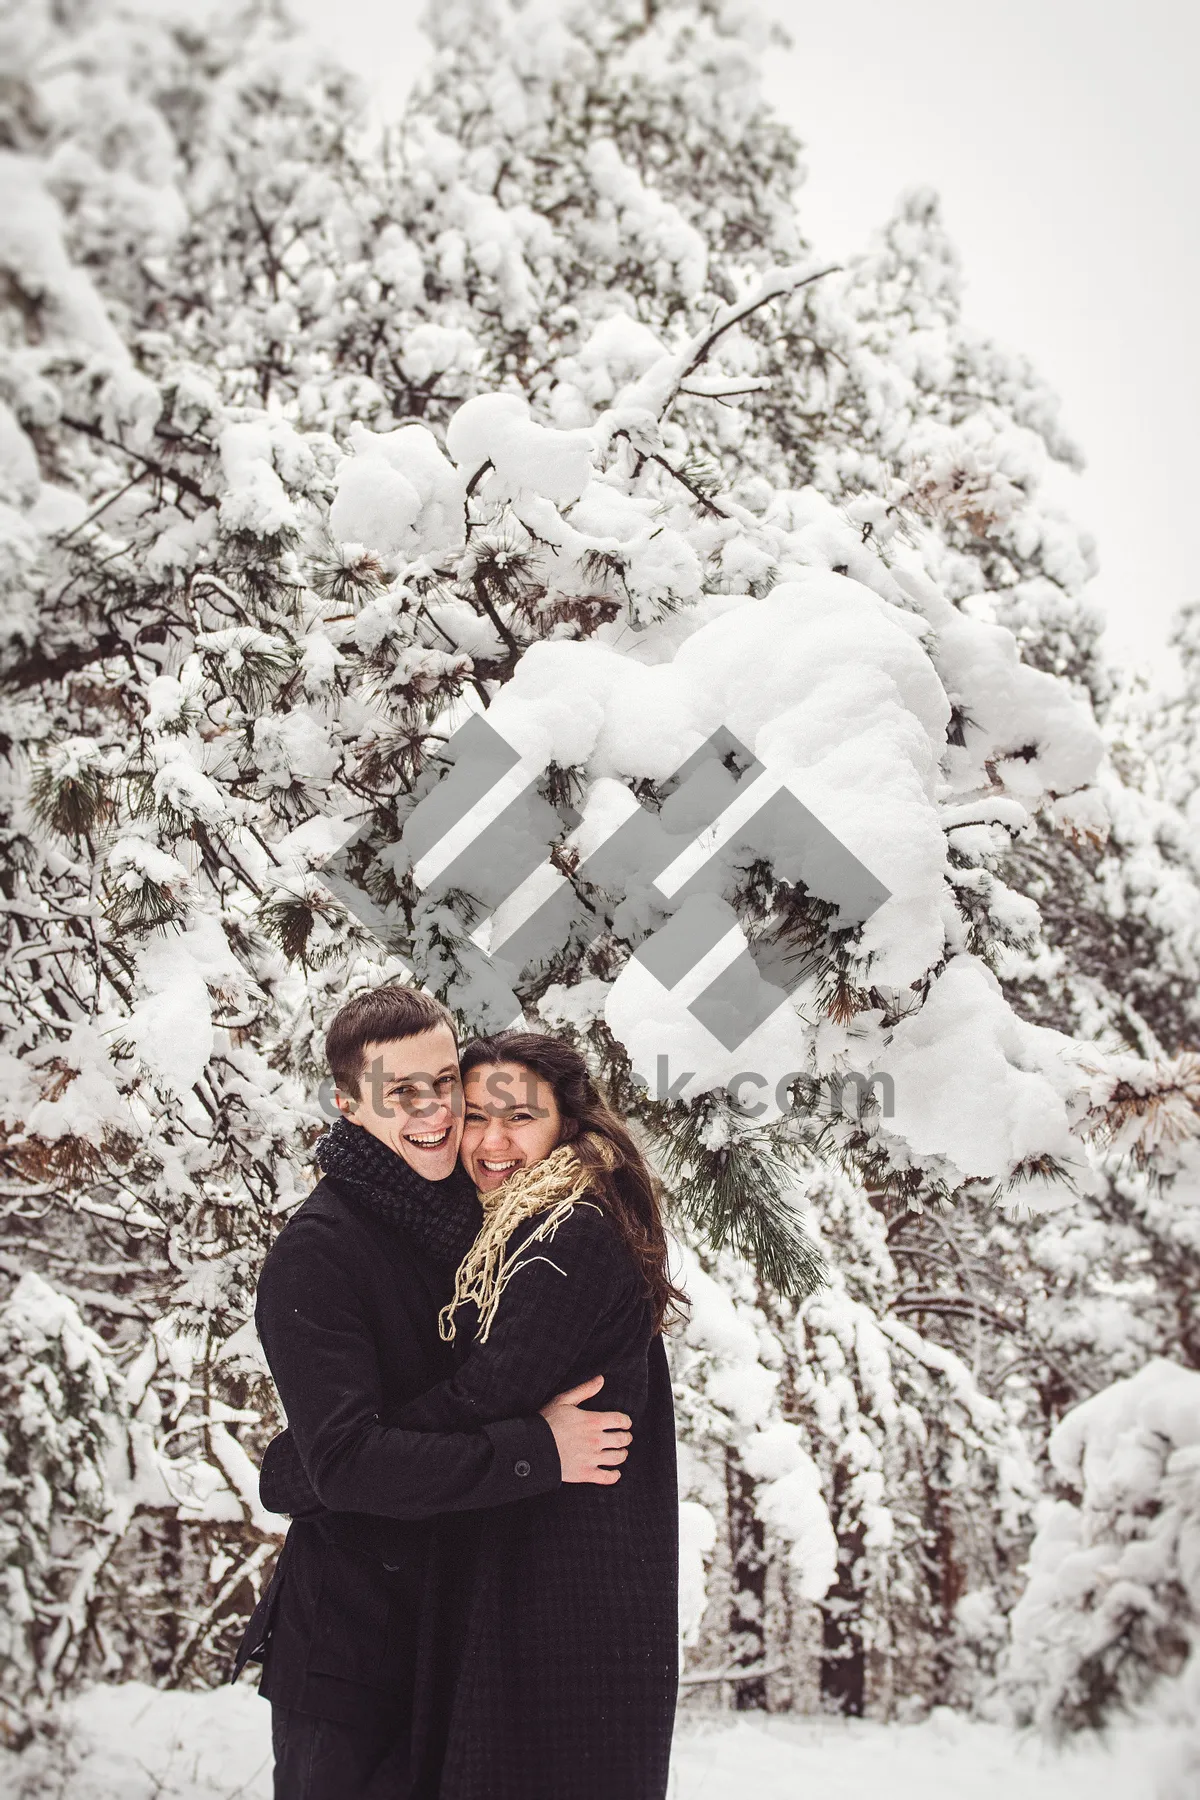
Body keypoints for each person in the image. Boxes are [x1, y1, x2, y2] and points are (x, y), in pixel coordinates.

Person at [259, 1028, 686, 1799]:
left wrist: (302, 1468)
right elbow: (433, 1418)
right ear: (349, 1106)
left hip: (517, 1628)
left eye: (517, 1117)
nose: (483, 1137)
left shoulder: (554, 1234)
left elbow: (479, 1394)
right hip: (352, 1645)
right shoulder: (340, 1245)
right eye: (403, 1096)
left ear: (569, 1125)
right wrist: (323, 1463)